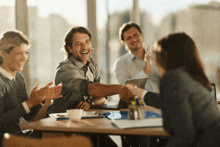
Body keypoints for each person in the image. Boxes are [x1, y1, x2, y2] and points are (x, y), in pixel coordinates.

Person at [121, 32, 220, 147]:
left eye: (157, 54)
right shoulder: (188, 76)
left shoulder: (172, 77)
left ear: (168, 57)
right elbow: (173, 102)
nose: (154, 59)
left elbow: (185, 136)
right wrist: (139, 92)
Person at [0, 30, 62, 137]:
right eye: (19, 53)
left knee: (58, 135)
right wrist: (30, 103)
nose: (24, 58)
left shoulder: (19, 78)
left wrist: (38, 100)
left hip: (17, 135)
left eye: (26, 53)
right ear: (4, 53)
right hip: (5, 140)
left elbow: (27, 117)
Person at [47, 26, 123, 113]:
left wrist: (91, 102)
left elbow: (101, 96)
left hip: (81, 119)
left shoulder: (91, 63)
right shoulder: (65, 69)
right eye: (78, 43)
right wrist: (121, 88)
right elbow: (90, 89)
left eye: (87, 42)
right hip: (59, 121)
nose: (84, 47)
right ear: (69, 48)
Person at [114, 22, 160, 92]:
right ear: (124, 43)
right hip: (137, 102)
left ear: (142, 35)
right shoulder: (121, 64)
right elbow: (125, 90)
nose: (134, 39)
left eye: (136, 35)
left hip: (163, 101)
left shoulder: (157, 56)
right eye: (129, 38)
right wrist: (145, 71)